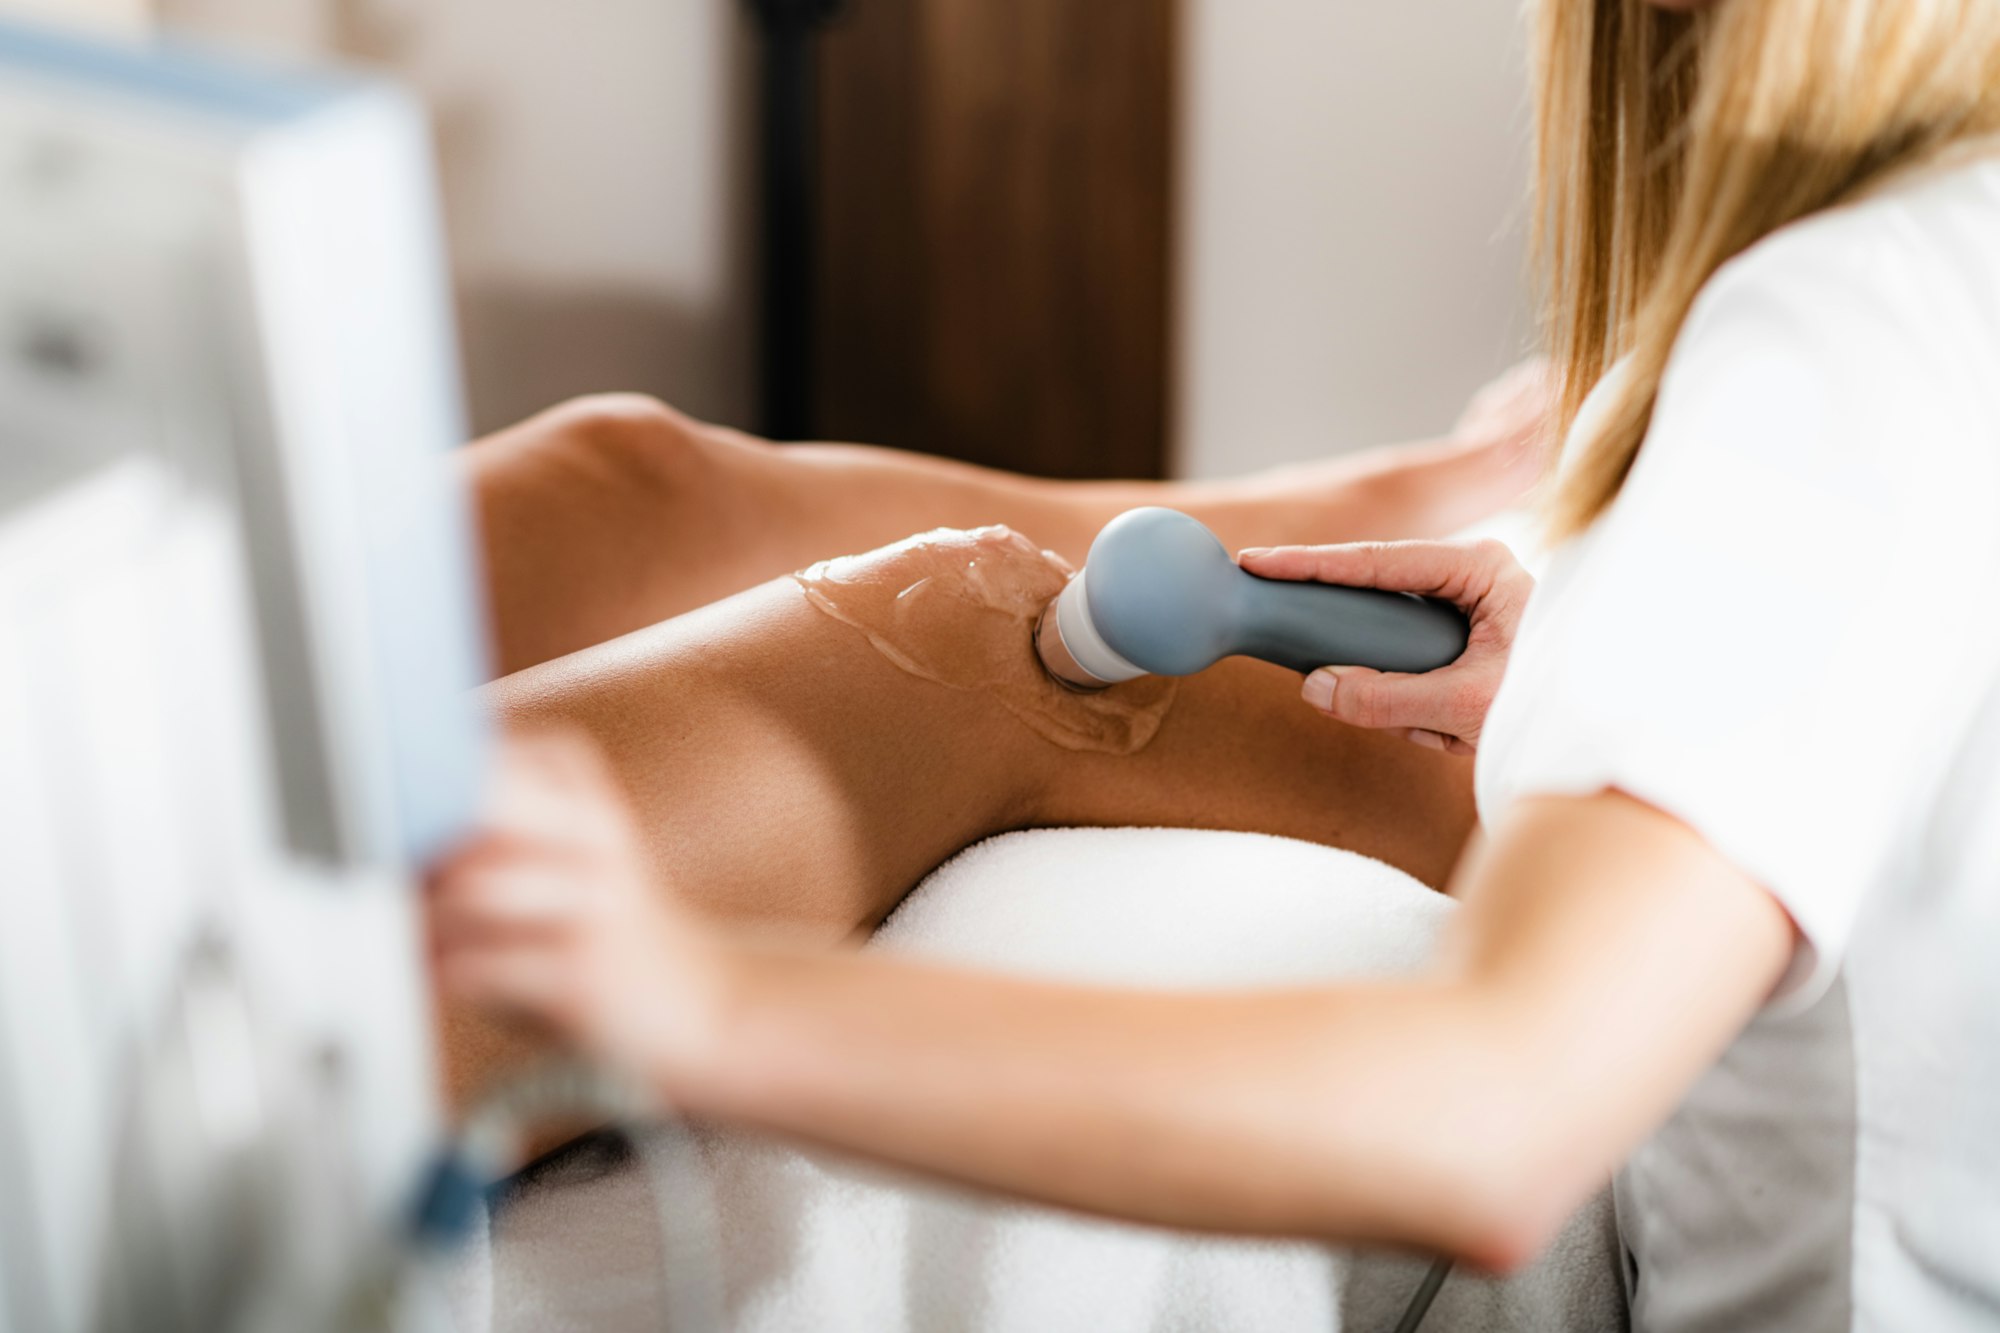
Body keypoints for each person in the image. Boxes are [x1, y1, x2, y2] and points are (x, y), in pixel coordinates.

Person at [430, 0, 2000, 1326]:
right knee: (632, 489)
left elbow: (1489, 1114)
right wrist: (1603, 659)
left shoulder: (1854, 324)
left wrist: (691, 997)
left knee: (957, 631)